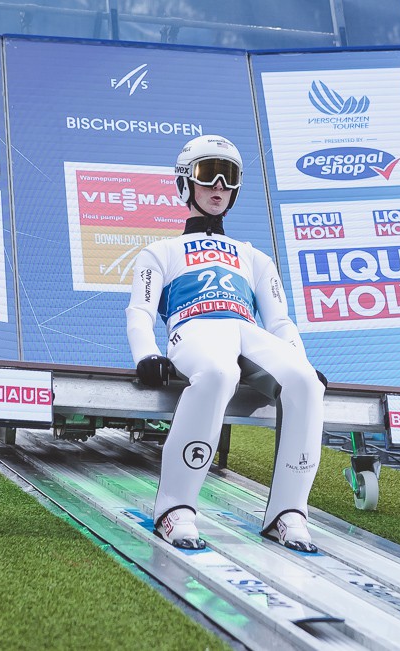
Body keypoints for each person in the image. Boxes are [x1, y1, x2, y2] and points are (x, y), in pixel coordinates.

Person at [125, 134, 326, 552]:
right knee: (217, 374)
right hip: (194, 329)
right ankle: (175, 509)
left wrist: (300, 358)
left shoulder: (254, 256)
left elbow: (280, 321)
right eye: (208, 173)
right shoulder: (160, 251)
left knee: (306, 382)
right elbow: (140, 311)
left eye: (228, 175)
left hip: (245, 329)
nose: (219, 185)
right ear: (185, 182)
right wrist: (146, 354)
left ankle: (289, 513)